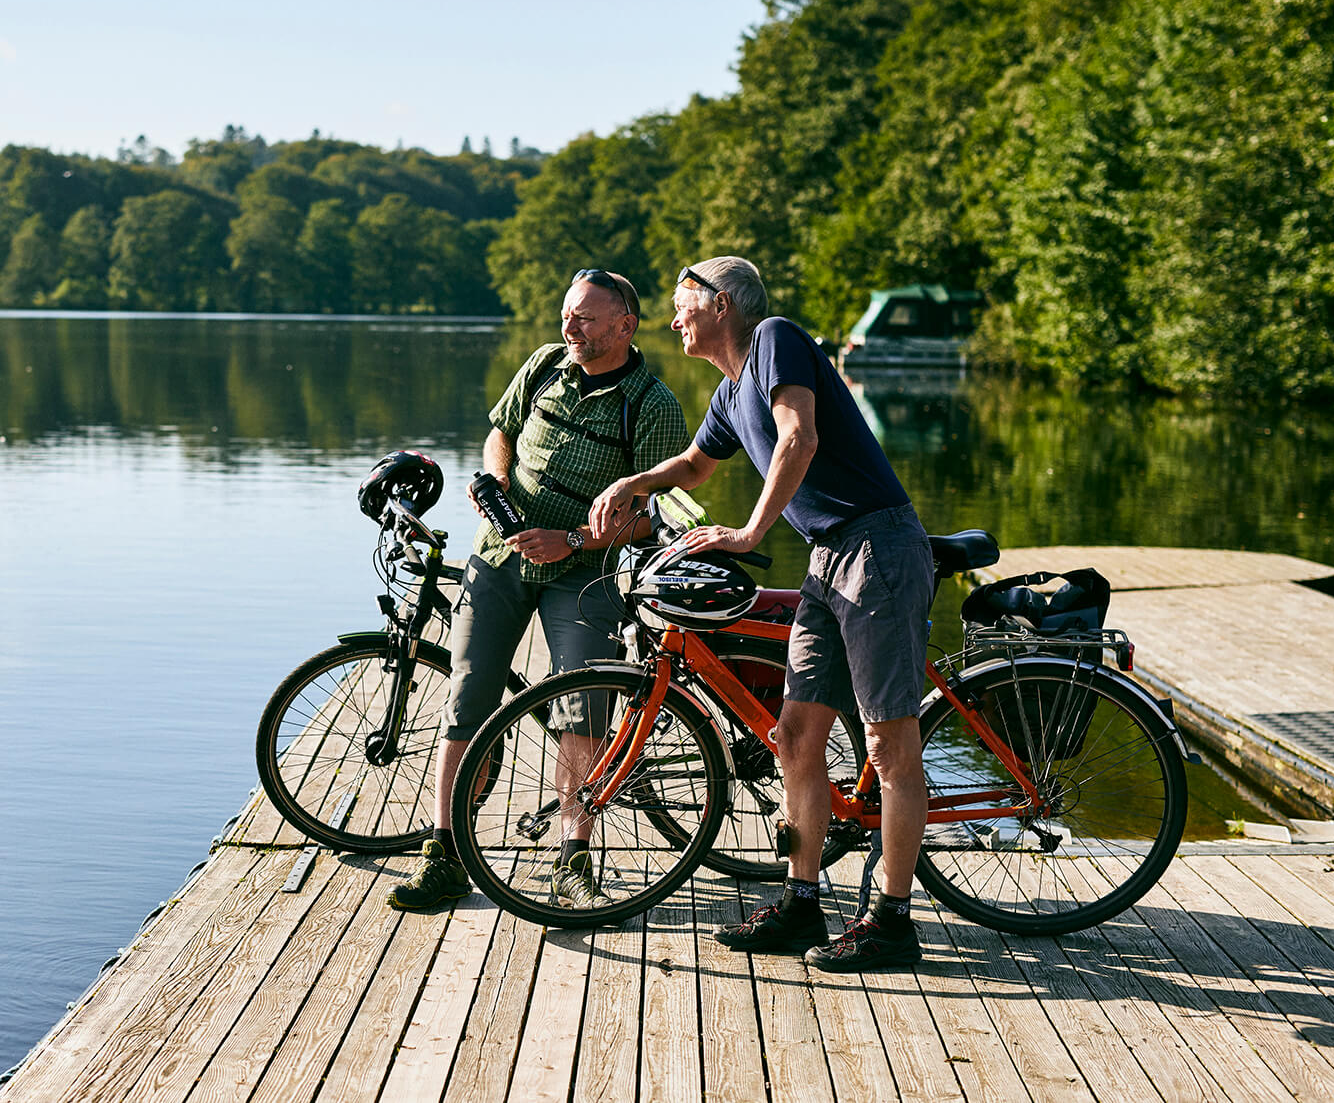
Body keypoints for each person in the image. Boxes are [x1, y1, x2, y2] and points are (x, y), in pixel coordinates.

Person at [589, 257, 934, 972]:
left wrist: (748, 534)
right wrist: (634, 480)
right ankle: (801, 899)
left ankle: (893, 921)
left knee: (887, 747)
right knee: (796, 737)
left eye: (684, 304)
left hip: (878, 546)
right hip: (828, 556)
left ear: (722, 304)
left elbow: (798, 436)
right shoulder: (729, 388)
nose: (674, 318)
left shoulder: (773, 338)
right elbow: (693, 464)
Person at [387, 269, 689, 913]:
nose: (569, 328)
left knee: (582, 707)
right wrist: (494, 483)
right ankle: (442, 854)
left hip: (586, 572)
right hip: (498, 556)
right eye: (565, 315)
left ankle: (573, 856)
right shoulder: (546, 363)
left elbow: (651, 518)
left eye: (584, 318)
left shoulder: (654, 405)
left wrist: (574, 540)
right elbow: (502, 429)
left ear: (625, 325)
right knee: (467, 694)